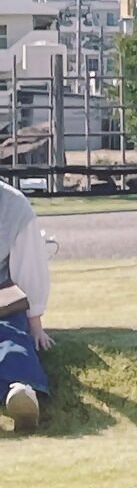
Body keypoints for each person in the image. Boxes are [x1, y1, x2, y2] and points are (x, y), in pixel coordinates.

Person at [1, 178, 53, 431]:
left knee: (10, 338)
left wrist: (35, 321)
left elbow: (29, 266)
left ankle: (21, 392)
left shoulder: (13, 206)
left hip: (1, 297)